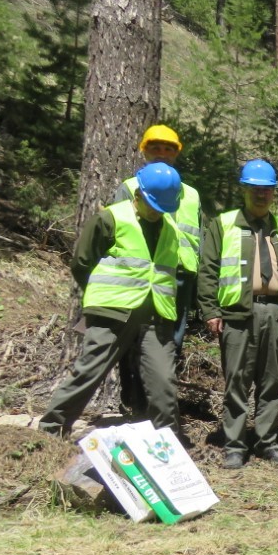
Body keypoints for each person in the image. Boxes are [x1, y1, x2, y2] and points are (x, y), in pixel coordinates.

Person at [39, 163, 183, 437]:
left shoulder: (172, 229)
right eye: (153, 205)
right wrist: (101, 297)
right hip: (113, 311)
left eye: (163, 208)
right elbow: (82, 263)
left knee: (164, 383)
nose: (156, 213)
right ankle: (51, 431)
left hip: (156, 315)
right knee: (89, 371)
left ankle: (168, 446)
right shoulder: (111, 219)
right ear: (138, 195)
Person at [198, 159, 278, 468]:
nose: (261, 195)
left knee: (272, 382)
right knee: (237, 381)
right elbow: (208, 270)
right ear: (243, 189)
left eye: (267, 190)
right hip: (237, 314)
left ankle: (267, 443)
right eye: (255, 189)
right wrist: (209, 309)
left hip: (276, 313)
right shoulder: (224, 223)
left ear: (273, 193)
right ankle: (234, 445)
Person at [111, 125, 202, 420]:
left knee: (170, 345)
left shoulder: (191, 195)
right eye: (156, 148)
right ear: (144, 150)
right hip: (140, 278)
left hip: (178, 279)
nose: (162, 154)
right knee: (133, 344)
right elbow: (116, 232)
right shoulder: (128, 188)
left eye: (168, 149)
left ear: (177, 153)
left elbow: (195, 238)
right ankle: (136, 408)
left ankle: (159, 411)